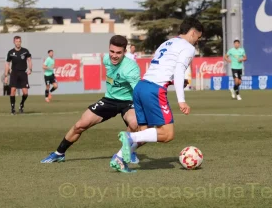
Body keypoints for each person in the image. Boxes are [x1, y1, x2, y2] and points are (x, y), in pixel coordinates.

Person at [111, 18, 203, 173]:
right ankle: (129, 138)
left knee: (145, 133)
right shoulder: (188, 47)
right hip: (154, 90)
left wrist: (174, 82)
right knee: (167, 134)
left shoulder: (166, 43)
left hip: (141, 87)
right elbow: (180, 71)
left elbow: (161, 69)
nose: (197, 42)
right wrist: (182, 101)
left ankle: (119, 158)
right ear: (193, 32)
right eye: (198, 38)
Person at [41, 35, 141, 163]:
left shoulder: (131, 68)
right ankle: (59, 153)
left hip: (128, 101)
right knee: (79, 125)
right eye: (112, 51)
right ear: (108, 49)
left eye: (118, 53)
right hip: (109, 99)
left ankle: (128, 151)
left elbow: (138, 92)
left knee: (134, 123)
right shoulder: (106, 59)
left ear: (124, 52)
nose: (114, 56)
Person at [5, 36, 32, 115]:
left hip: (23, 73)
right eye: (16, 41)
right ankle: (13, 108)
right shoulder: (10, 52)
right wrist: (6, 76)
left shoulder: (25, 51)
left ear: (21, 42)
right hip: (14, 73)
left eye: (19, 41)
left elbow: (29, 60)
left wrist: (30, 69)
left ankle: (21, 104)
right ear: (14, 42)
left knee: (25, 92)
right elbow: (7, 63)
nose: (18, 43)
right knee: (12, 91)